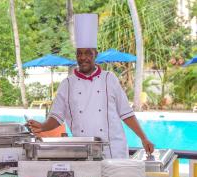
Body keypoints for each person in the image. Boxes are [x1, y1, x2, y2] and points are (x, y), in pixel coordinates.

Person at [27, 13, 154, 158]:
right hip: (83, 151)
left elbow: (126, 113)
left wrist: (143, 138)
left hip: (113, 151)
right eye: (79, 53)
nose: (83, 58)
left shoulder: (109, 79)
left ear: (96, 54)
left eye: (88, 53)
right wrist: (43, 126)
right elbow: (57, 117)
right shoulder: (67, 84)